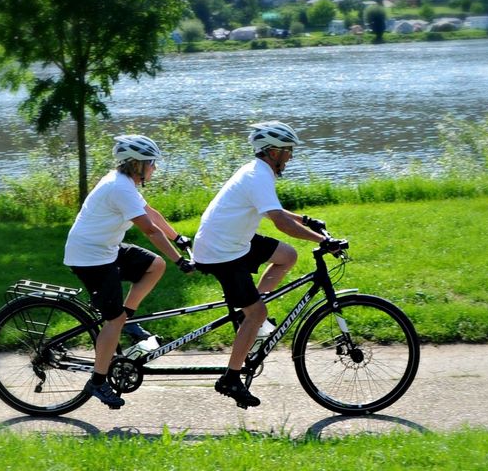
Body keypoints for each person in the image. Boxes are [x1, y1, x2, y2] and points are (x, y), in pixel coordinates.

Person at [192, 121, 343, 408]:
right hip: (221, 252)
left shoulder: (259, 172)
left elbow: (274, 210)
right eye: (287, 151)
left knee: (287, 256)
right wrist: (321, 240)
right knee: (257, 313)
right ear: (272, 152)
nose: (290, 157)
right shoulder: (258, 175)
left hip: (233, 241)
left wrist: (305, 219)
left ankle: (247, 313)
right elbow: (279, 222)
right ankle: (231, 377)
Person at [64, 134, 194, 409]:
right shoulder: (119, 188)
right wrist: (179, 260)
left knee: (153, 265)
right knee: (113, 321)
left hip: (105, 249)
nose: (154, 168)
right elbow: (148, 229)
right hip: (90, 257)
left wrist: (178, 237)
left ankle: (127, 320)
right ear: (136, 165)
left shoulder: (124, 183)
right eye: (151, 163)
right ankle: (97, 382)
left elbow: (152, 214)